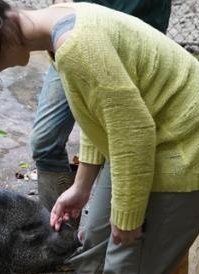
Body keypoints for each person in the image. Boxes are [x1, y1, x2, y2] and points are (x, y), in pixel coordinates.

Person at [0, 1, 199, 274]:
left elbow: (132, 135)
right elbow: (99, 118)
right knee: (93, 254)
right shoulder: (55, 27)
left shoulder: (77, 47)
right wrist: (81, 187)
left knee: (127, 273)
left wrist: (128, 216)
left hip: (189, 148)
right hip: (151, 136)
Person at [31, 0, 172, 215]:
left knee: (117, 142)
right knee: (45, 141)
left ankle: (116, 222)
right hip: (75, 31)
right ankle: (57, 237)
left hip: (131, 36)